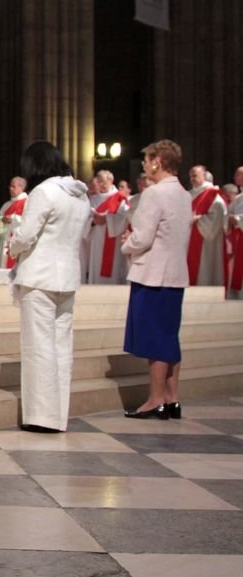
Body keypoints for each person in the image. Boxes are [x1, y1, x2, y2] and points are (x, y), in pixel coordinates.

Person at [7, 141, 91, 432]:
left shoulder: (44, 192)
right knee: (60, 347)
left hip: (40, 278)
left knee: (39, 347)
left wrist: (13, 242)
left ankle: (41, 418)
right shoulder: (80, 194)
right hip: (67, 277)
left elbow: (26, 235)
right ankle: (58, 415)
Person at [122, 140, 193, 419]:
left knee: (154, 340)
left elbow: (143, 237)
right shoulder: (183, 194)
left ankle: (155, 400)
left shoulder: (154, 194)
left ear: (158, 162)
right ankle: (172, 398)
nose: (144, 165)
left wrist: (127, 243)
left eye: (147, 160)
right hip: (175, 274)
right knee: (168, 337)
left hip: (152, 274)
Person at [84, 170, 128, 284]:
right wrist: (93, 221)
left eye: (103, 182)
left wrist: (107, 219)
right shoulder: (94, 199)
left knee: (112, 270)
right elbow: (86, 217)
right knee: (96, 266)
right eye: (99, 182)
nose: (101, 185)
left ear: (111, 181)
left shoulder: (119, 198)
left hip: (112, 239)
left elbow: (124, 217)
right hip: (96, 240)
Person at [187, 164, 226, 286]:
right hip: (188, 238)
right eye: (190, 176)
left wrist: (198, 219)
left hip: (205, 240)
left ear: (204, 175)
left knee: (205, 271)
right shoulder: (189, 194)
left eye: (195, 175)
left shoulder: (212, 194)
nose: (192, 178)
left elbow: (216, 218)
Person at [0, 176, 28, 268]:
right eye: (10, 186)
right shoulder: (7, 205)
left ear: (21, 187)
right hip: (6, 239)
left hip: (17, 240)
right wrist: (2, 219)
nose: (10, 189)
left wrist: (13, 218)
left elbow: (28, 221)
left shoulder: (27, 202)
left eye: (14, 186)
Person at [225, 180, 243, 300]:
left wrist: (237, 219)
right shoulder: (239, 198)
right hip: (237, 236)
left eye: (240, 174)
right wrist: (230, 218)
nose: (237, 177)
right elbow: (228, 212)